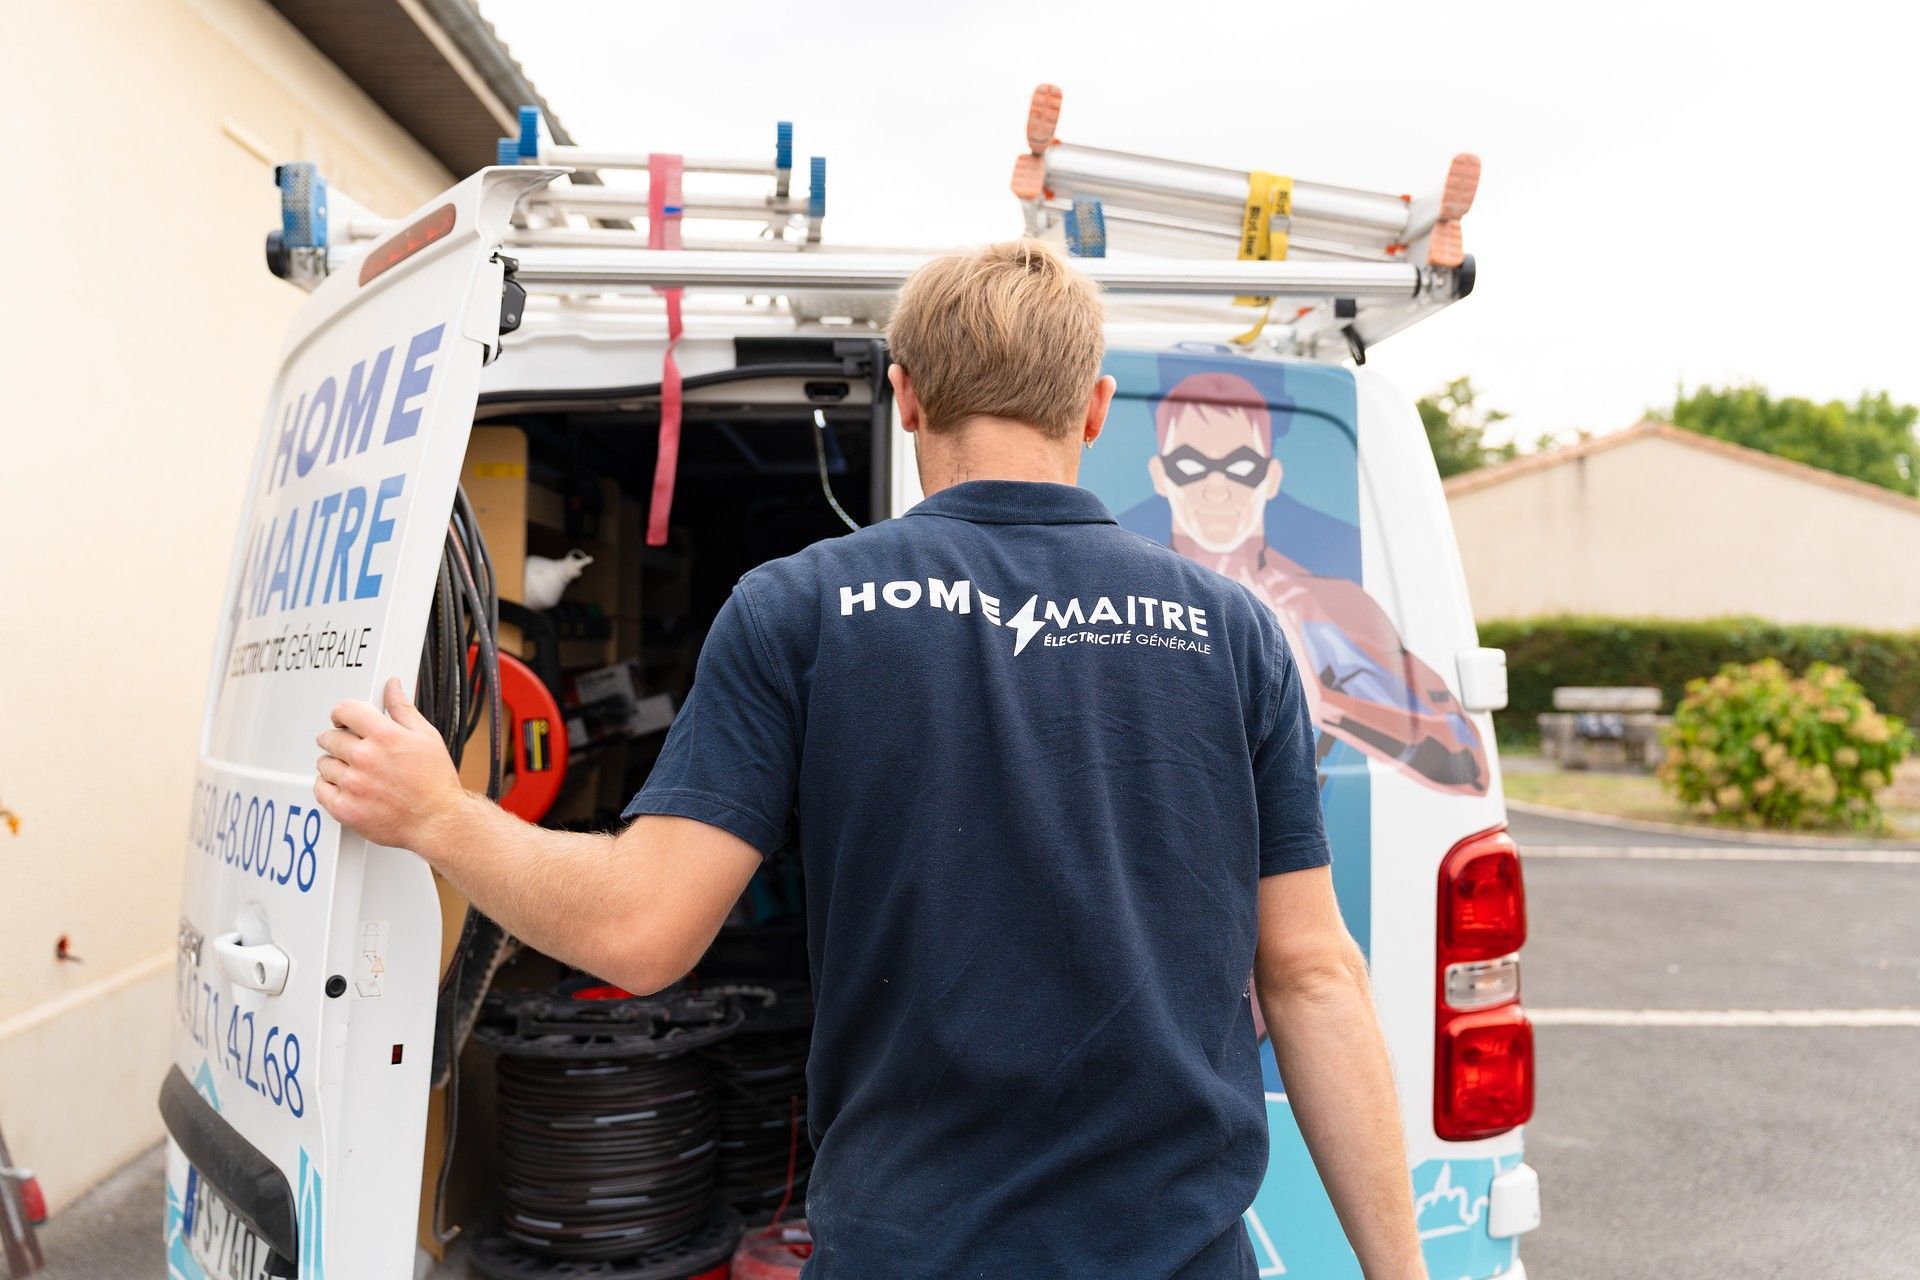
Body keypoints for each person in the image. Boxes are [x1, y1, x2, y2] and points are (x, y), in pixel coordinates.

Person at [314, 240, 1427, 1279]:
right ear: (1092, 408)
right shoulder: (1233, 632)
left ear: (905, 397)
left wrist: (437, 813)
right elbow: (1313, 973)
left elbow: (635, 932)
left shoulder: (801, 608)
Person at [1148, 370, 1489, 795]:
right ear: (1161, 475)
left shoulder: (1328, 607)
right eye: (1190, 466)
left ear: (1270, 478)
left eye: (1241, 466)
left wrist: (1325, 705)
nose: (1216, 488)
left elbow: (1466, 759)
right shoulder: (1120, 607)